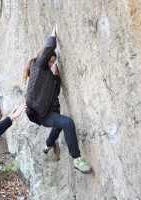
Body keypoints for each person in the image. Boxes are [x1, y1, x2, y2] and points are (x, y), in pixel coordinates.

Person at [23, 28, 92, 174]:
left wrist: (56, 76)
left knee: (59, 126)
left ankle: (48, 145)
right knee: (67, 123)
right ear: (44, 57)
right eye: (50, 61)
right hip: (42, 114)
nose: (50, 63)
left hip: (49, 111)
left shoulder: (46, 73)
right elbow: (48, 50)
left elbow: (55, 93)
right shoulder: (37, 64)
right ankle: (77, 159)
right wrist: (53, 35)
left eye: (53, 62)